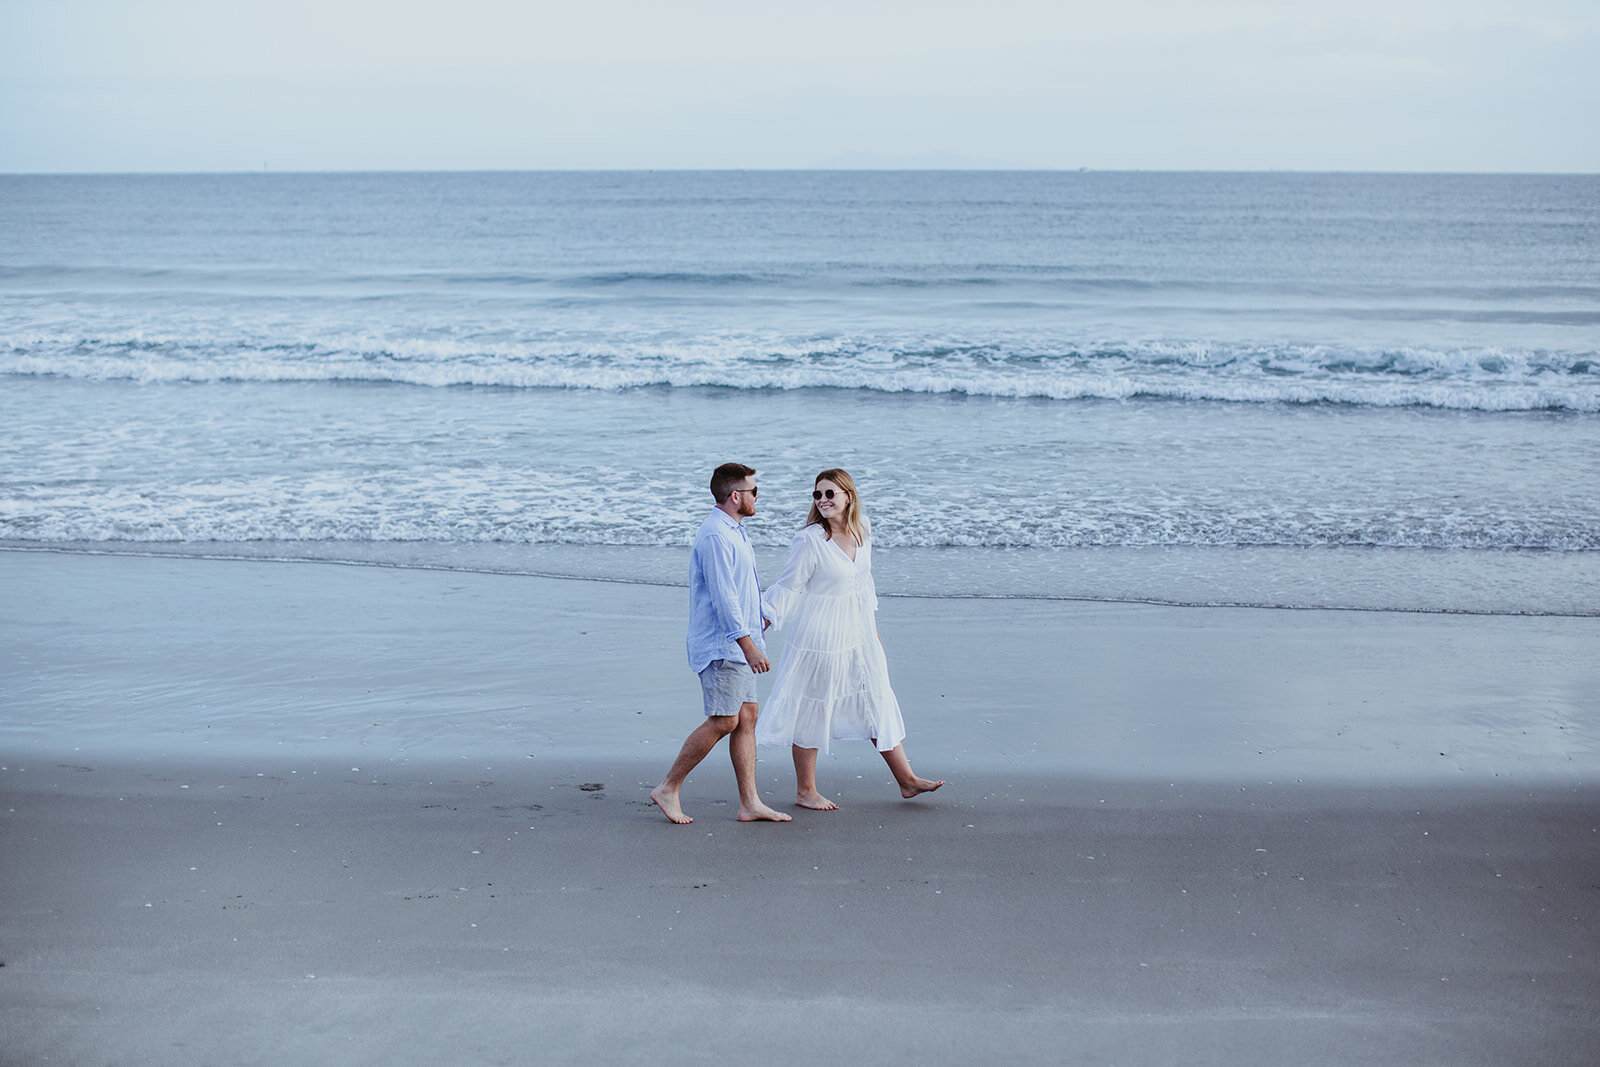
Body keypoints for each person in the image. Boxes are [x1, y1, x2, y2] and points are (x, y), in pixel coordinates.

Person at [756, 468, 943, 809]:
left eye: (830, 493)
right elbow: (788, 586)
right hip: (820, 636)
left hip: (859, 633)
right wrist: (759, 624)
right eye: (818, 495)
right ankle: (805, 791)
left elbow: (864, 583)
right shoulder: (810, 539)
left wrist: (872, 628)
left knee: (876, 698)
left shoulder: (862, 531)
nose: (823, 500)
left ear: (848, 497)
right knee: (812, 706)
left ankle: (906, 780)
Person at [650, 463, 792, 825]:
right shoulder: (716, 536)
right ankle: (668, 787)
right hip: (722, 645)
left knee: (746, 717)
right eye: (754, 491)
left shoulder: (736, 532)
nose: (758, 496)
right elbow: (723, 598)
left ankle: (750, 803)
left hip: (738, 642)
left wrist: (763, 620)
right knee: (724, 719)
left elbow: (745, 592)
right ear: (735, 496)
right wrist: (747, 645)